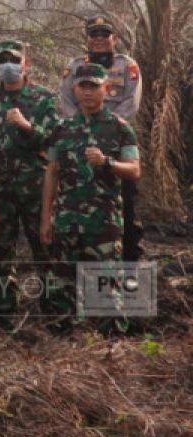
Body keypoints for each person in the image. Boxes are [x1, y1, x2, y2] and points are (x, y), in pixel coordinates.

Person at [41, 63, 141, 332]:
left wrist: (107, 162)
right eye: (83, 87)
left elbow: (133, 170)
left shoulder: (119, 128)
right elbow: (52, 173)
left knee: (106, 286)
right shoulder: (61, 129)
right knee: (62, 286)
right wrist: (45, 218)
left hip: (103, 223)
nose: (88, 93)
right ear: (74, 90)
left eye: (94, 87)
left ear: (105, 90)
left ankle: (111, 345)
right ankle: (63, 345)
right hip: (67, 221)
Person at [0, 39, 59, 320]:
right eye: (3, 60)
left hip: (35, 189)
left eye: (14, 60)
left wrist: (28, 127)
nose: (9, 65)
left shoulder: (43, 98)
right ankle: (3, 308)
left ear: (25, 64)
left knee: (45, 248)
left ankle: (53, 309)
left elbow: (57, 143)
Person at [58, 17, 144, 261]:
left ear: (113, 39)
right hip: (79, 142)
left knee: (126, 205)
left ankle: (130, 264)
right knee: (77, 199)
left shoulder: (127, 66)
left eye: (104, 34)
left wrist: (106, 128)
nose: (98, 39)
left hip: (117, 142)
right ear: (86, 38)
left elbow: (131, 102)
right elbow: (65, 99)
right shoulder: (75, 66)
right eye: (93, 34)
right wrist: (84, 127)